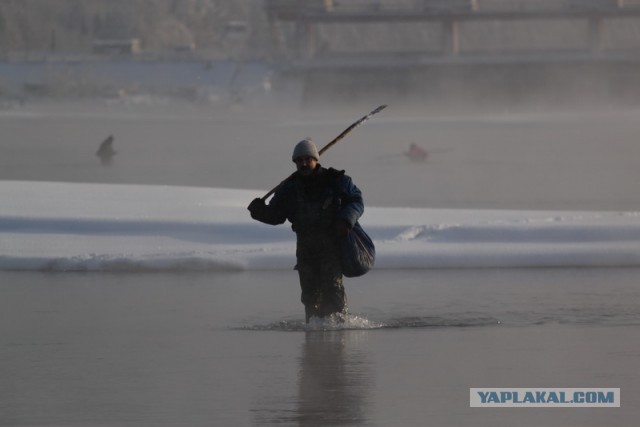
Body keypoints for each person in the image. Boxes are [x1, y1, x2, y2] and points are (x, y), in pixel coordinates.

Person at [248, 139, 364, 323]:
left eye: (307, 159)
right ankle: (314, 337)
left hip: (331, 247)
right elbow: (276, 216)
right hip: (306, 250)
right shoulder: (289, 188)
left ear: (315, 159)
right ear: (295, 162)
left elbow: (356, 201)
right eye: (299, 160)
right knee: (310, 298)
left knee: (333, 292)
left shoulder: (335, 180)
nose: (303, 164)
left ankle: (341, 332)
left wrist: (345, 220)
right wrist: (258, 211)